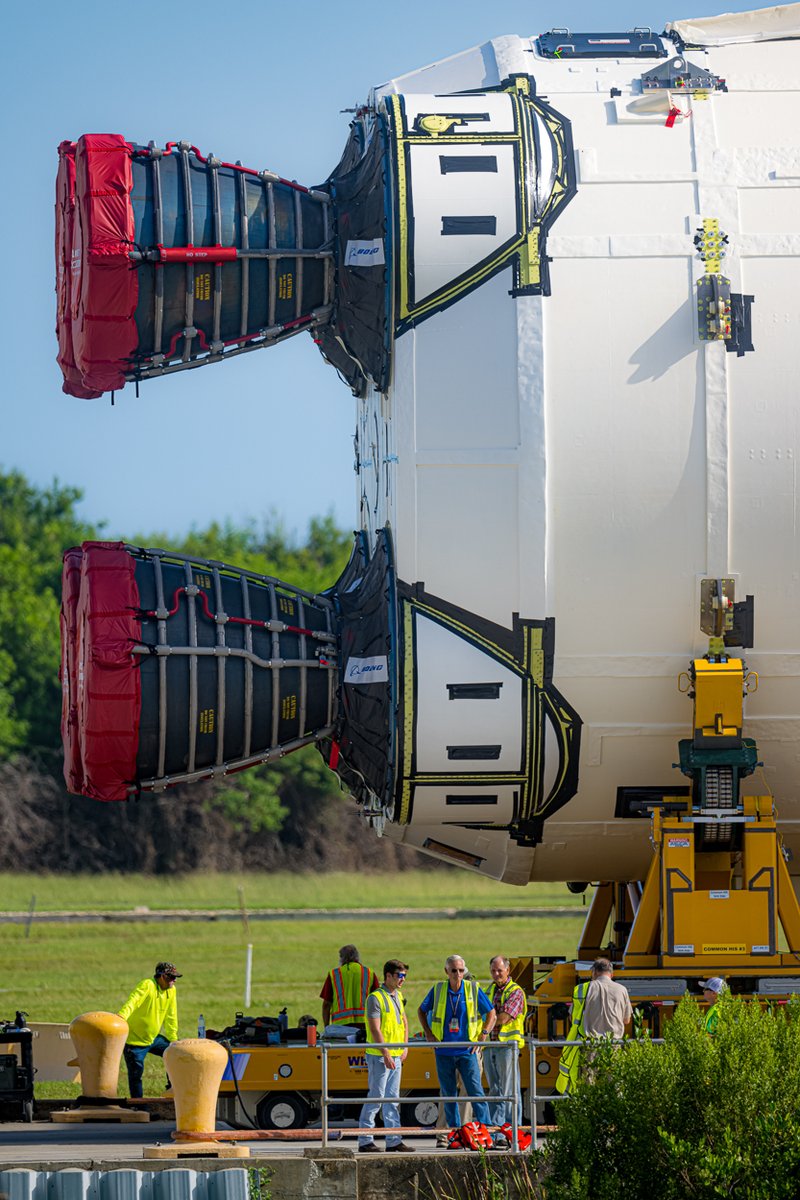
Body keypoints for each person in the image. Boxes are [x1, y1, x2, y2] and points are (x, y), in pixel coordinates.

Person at [418, 954, 496, 1132]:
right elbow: (421, 1011)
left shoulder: (472, 989)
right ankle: (454, 1133)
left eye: (461, 970)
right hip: (444, 1051)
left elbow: (492, 1013)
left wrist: (483, 1034)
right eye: (454, 970)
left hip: (467, 1051)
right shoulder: (438, 989)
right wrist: (428, 1034)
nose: (458, 974)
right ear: (446, 971)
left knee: (476, 1092)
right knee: (448, 1095)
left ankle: (486, 1129)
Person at [358, 959, 413, 1153]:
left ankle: (393, 1139)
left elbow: (404, 1023)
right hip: (380, 1056)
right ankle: (365, 1139)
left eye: (404, 976)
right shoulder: (376, 998)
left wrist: (404, 1047)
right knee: (376, 1097)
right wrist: (386, 1052)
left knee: (392, 1098)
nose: (402, 980)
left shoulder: (398, 995)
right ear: (388, 976)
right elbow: (375, 1029)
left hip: (396, 1055)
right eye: (399, 976)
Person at [556, 958, 631, 1095]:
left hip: (590, 1046)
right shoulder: (622, 990)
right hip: (614, 1046)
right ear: (612, 974)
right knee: (614, 1089)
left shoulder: (582, 989)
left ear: (594, 972)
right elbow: (626, 1020)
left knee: (589, 1091)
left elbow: (573, 1017)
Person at [117, 961, 180, 1098]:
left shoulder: (171, 990)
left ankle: (172, 1090)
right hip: (135, 1042)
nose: (174, 981)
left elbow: (171, 1016)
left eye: (175, 977)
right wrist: (122, 1016)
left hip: (153, 1038)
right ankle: (139, 1108)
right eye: (171, 977)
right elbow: (133, 1001)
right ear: (161, 976)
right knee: (136, 1075)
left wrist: (173, 1039)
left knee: (174, 1053)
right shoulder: (147, 985)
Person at [484, 955, 526, 1147]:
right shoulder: (490, 989)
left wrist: (488, 1020)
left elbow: (503, 1018)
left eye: (499, 970)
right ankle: (496, 1132)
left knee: (509, 1092)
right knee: (495, 1090)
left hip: (507, 1047)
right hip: (491, 1046)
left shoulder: (516, 992)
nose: (496, 974)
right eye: (493, 970)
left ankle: (509, 1132)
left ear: (508, 970)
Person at [320, 945, 379, 1028]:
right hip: (365, 1025)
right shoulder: (369, 973)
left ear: (341, 958)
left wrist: (326, 1027)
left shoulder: (334, 974)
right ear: (357, 957)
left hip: (340, 1025)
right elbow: (377, 1001)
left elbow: (326, 1004)